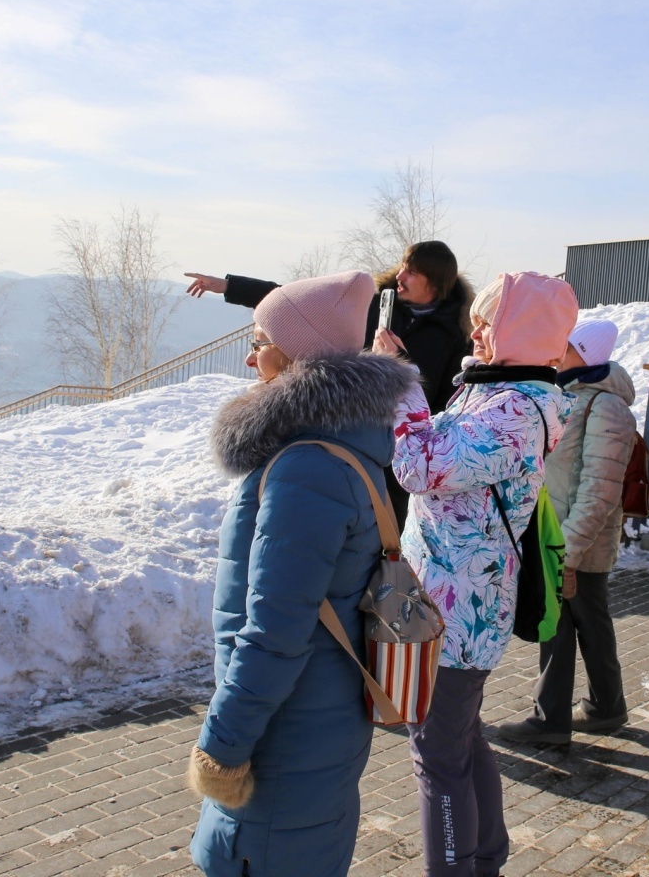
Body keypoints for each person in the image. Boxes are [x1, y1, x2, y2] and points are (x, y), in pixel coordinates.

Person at [185, 271, 420, 877]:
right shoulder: (342, 444)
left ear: (297, 353)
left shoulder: (305, 467)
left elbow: (275, 631)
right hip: (323, 717)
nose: (250, 352)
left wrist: (223, 746)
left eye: (261, 337)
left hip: (283, 733)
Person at [384, 271, 578, 877]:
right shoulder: (495, 390)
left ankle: (457, 867)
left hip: (458, 611)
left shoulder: (519, 408)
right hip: (440, 598)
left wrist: (402, 384)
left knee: (436, 758)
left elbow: (418, 465)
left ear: (524, 329)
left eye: (491, 319)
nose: (477, 328)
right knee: (461, 743)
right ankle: (484, 859)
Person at [497, 317, 638, 746]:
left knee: (558, 625)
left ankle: (549, 720)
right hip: (559, 536)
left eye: (567, 346)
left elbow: (600, 490)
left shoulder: (605, 407)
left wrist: (567, 553)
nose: (557, 352)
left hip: (573, 540)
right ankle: (605, 707)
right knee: (590, 623)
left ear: (586, 355)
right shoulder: (569, 396)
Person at [186, 240, 473, 413]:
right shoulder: (371, 306)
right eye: (402, 267)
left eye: (411, 272)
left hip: (403, 454)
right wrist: (229, 286)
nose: (400, 275)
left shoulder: (458, 336)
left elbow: (449, 403)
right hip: (352, 426)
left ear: (434, 282)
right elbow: (295, 306)